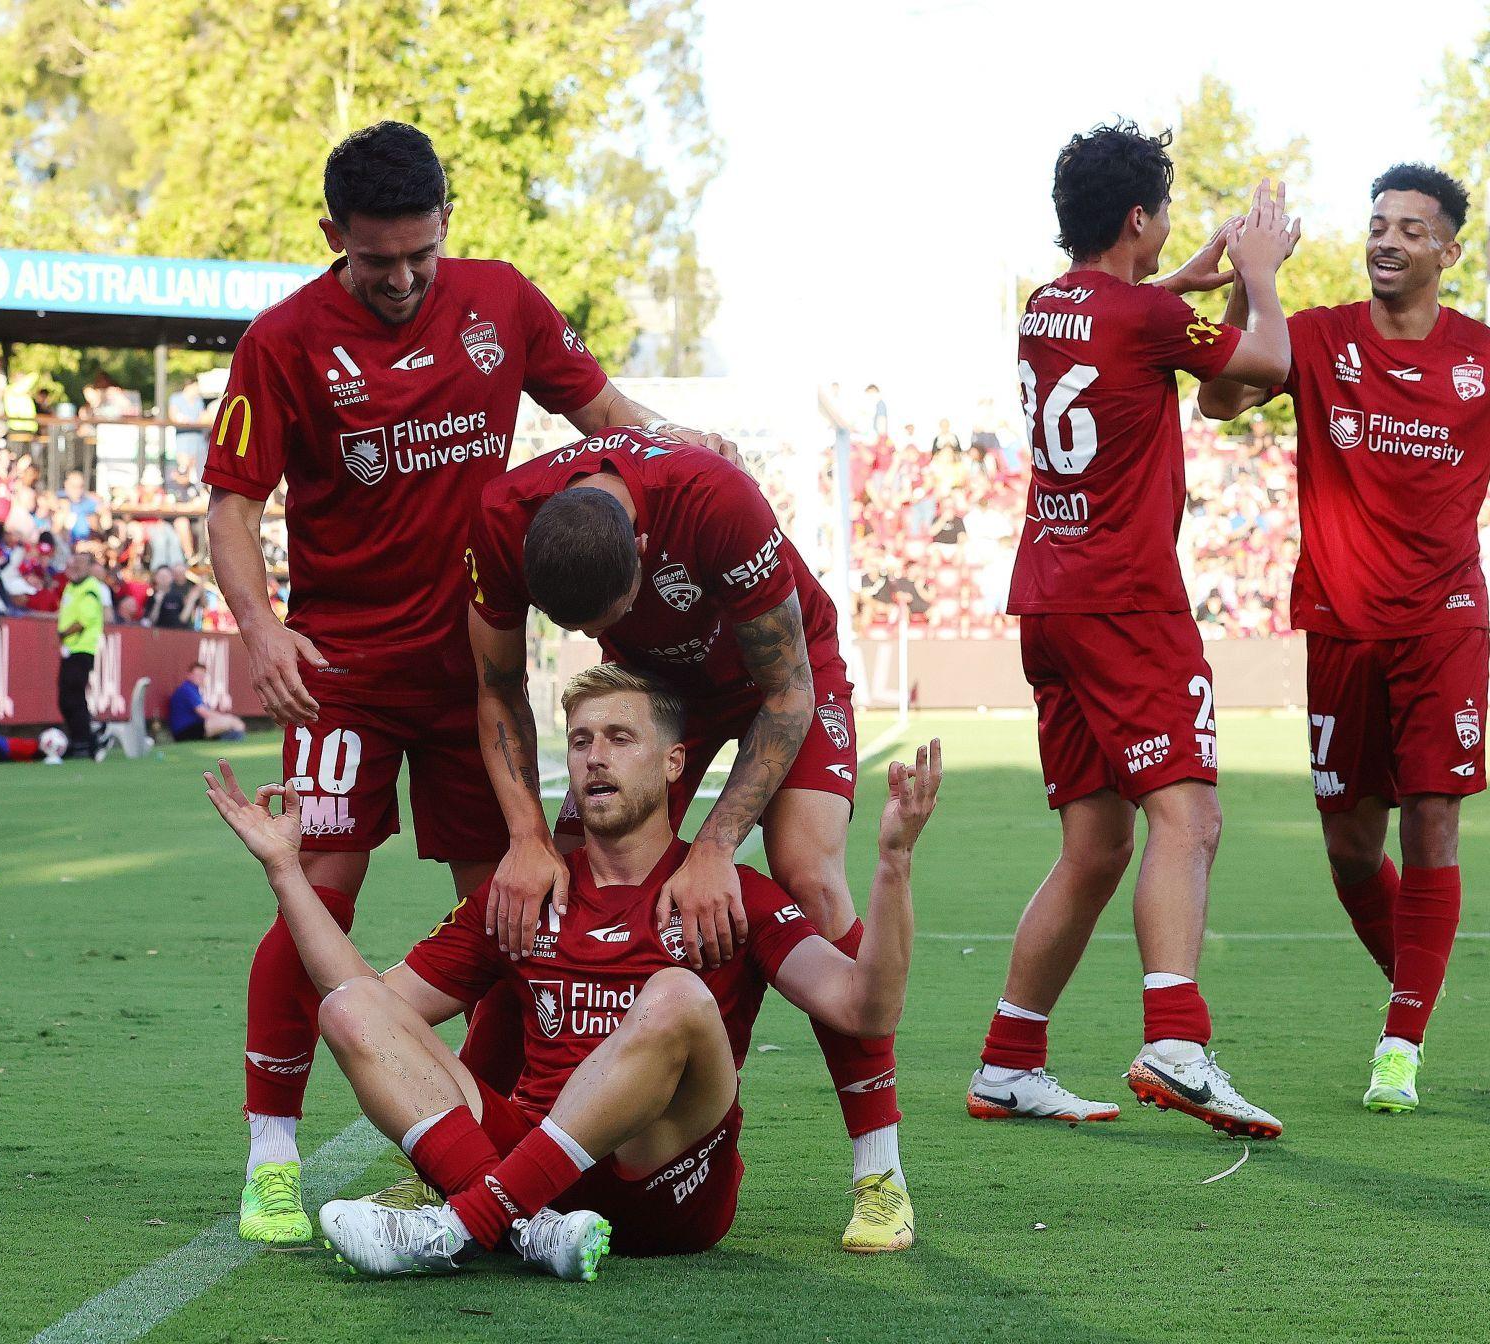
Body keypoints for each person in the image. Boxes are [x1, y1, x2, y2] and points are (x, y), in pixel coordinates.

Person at [202, 119, 738, 1245]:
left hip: (474, 675)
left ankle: (478, 1158)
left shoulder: (503, 301)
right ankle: (269, 1153)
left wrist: (696, 449)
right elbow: (233, 506)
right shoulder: (283, 341)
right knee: (319, 892)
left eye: (418, 255)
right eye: (374, 260)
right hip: (338, 670)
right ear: (332, 237)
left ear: (448, 220)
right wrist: (259, 628)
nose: (400, 281)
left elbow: (608, 419)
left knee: (511, 907)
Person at [201, 668, 941, 1278]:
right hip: (536, 1164)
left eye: (621, 738)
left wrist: (895, 864)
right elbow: (372, 1005)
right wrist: (284, 870)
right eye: (582, 740)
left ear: (674, 761)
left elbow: (863, 1010)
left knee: (676, 995)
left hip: (666, 1176)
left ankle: (466, 1223)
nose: (595, 756)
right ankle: (528, 1228)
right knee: (348, 1008)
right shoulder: (532, 890)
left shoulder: (726, 891)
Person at [1197, 163, 1490, 1114]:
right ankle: (1419, 982)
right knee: (1352, 852)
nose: (1387, 241)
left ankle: (1400, 1039)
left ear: (1448, 251)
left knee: (1433, 821)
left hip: (1445, 624)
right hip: (1338, 627)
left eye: (1410, 229)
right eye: (1377, 225)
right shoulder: (1316, 337)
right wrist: (1250, 273)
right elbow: (1219, 402)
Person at [464, 425, 915, 1250]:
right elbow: (497, 685)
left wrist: (713, 849)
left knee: (807, 874)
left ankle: (879, 1170)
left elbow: (787, 694)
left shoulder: (716, 503)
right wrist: (526, 836)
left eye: (623, 605)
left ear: (643, 543)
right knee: (547, 888)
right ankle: (470, 1162)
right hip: (657, 691)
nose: (624, 619)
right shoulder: (500, 514)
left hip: (782, 675)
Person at [966, 123, 1296, 1137]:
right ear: (1138, 218)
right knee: (1189, 819)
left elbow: (1174, 352)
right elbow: (1267, 371)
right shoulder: (1142, 317)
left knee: (1097, 842)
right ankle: (1176, 1039)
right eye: (1160, 214)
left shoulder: (1047, 305)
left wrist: (1200, 281)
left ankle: (1010, 1062)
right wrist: (1261, 273)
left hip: (1051, 600)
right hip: (1126, 601)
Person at [56, 549, 111, 761]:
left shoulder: (90, 589)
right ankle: (85, 739)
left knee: (73, 697)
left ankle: (83, 742)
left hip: (82, 648)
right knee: (67, 697)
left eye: (81, 563)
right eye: (74, 562)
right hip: (71, 649)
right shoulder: (72, 586)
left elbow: (84, 620)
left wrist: (62, 634)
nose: (76, 566)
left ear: (90, 567)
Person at [170, 661, 247, 742]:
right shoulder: (186, 689)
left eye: (202, 675)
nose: (200, 677)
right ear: (189, 675)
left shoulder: (195, 690)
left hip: (195, 727)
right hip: (184, 730)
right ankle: (226, 736)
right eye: (197, 675)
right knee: (231, 722)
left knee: (233, 722)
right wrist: (226, 719)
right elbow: (204, 713)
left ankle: (224, 736)